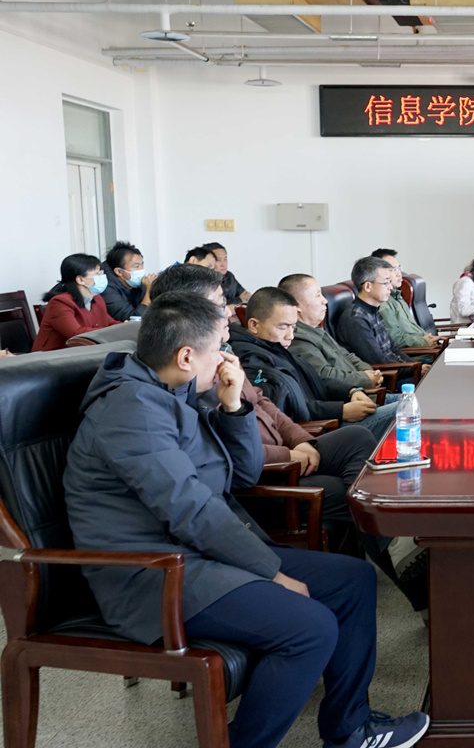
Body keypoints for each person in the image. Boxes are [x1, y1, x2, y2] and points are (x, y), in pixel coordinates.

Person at [62, 290, 429, 748]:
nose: (227, 357)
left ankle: (350, 729)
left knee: (352, 581)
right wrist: (272, 572)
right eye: (219, 347)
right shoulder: (132, 410)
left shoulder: (176, 391)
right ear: (186, 356)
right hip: (154, 573)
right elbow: (190, 510)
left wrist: (234, 407)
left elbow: (243, 473)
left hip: (198, 554)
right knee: (310, 628)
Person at [151, 265, 428, 616]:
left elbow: (264, 403)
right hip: (262, 477)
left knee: (357, 439)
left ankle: (402, 548)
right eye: (219, 304)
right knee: (348, 486)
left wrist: (300, 440)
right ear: (187, 310)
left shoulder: (225, 352)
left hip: (286, 451)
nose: (228, 312)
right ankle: (409, 568)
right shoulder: (188, 374)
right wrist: (287, 453)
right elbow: (223, 453)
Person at [229, 287, 399, 441]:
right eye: (283, 327)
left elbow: (315, 379)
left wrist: (351, 391)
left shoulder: (274, 346)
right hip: (322, 428)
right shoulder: (251, 361)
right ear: (254, 325)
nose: (290, 336)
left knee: (407, 403)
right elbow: (287, 408)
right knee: (404, 410)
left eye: (293, 327)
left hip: (334, 413)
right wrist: (341, 410)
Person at [280, 273, 393, 389]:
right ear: (296, 305)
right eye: (317, 295)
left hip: (366, 388)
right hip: (353, 396)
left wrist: (369, 372)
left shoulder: (316, 329)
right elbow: (325, 376)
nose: (325, 301)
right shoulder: (297, 339)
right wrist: (365, 378)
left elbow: (348, 356)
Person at [340, 257, 430, 370]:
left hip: (400, 369)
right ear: (368, 286)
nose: (390, 287)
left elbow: (393, 348)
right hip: (388, 376)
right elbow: (379, 363)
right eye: (386, 283)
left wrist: (417, 366)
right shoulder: (356, 319)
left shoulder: (374, 310)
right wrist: (415, 370)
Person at [32, 253, 120, 351]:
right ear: (80, 280)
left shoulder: (97, 299)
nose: (102, 277)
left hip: (84, 352)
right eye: (97, 274)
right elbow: (76, 333)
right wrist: (112, 332)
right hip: (53, 356)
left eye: (101, 273)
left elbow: (108, 322)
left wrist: (127, 326)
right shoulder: (59, 303)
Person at [370, 249, 441, 349]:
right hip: (419, 354)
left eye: (399, 268)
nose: (399, 274)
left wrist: (427, 338)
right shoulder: (384, 304)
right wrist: (424, 341)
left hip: (426, 348)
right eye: (393, 270)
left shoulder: (397, 297)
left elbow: (412, 330)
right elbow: (395, 339)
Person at [100, 240, 156, 321]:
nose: (141, 270)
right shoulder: (106, 289)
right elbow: (133, 319)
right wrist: (149, 290)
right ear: (119, 272)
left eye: (142, 265)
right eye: (136, 266)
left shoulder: (135, 282)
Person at [204, 241, 251, 305]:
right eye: (218, 260)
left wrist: (241, 299)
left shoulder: (229, 276)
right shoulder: (204, 282)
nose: (223, 264)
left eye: (225, 259)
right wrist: (239, 300)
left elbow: (245, 295)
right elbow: (215, 305)